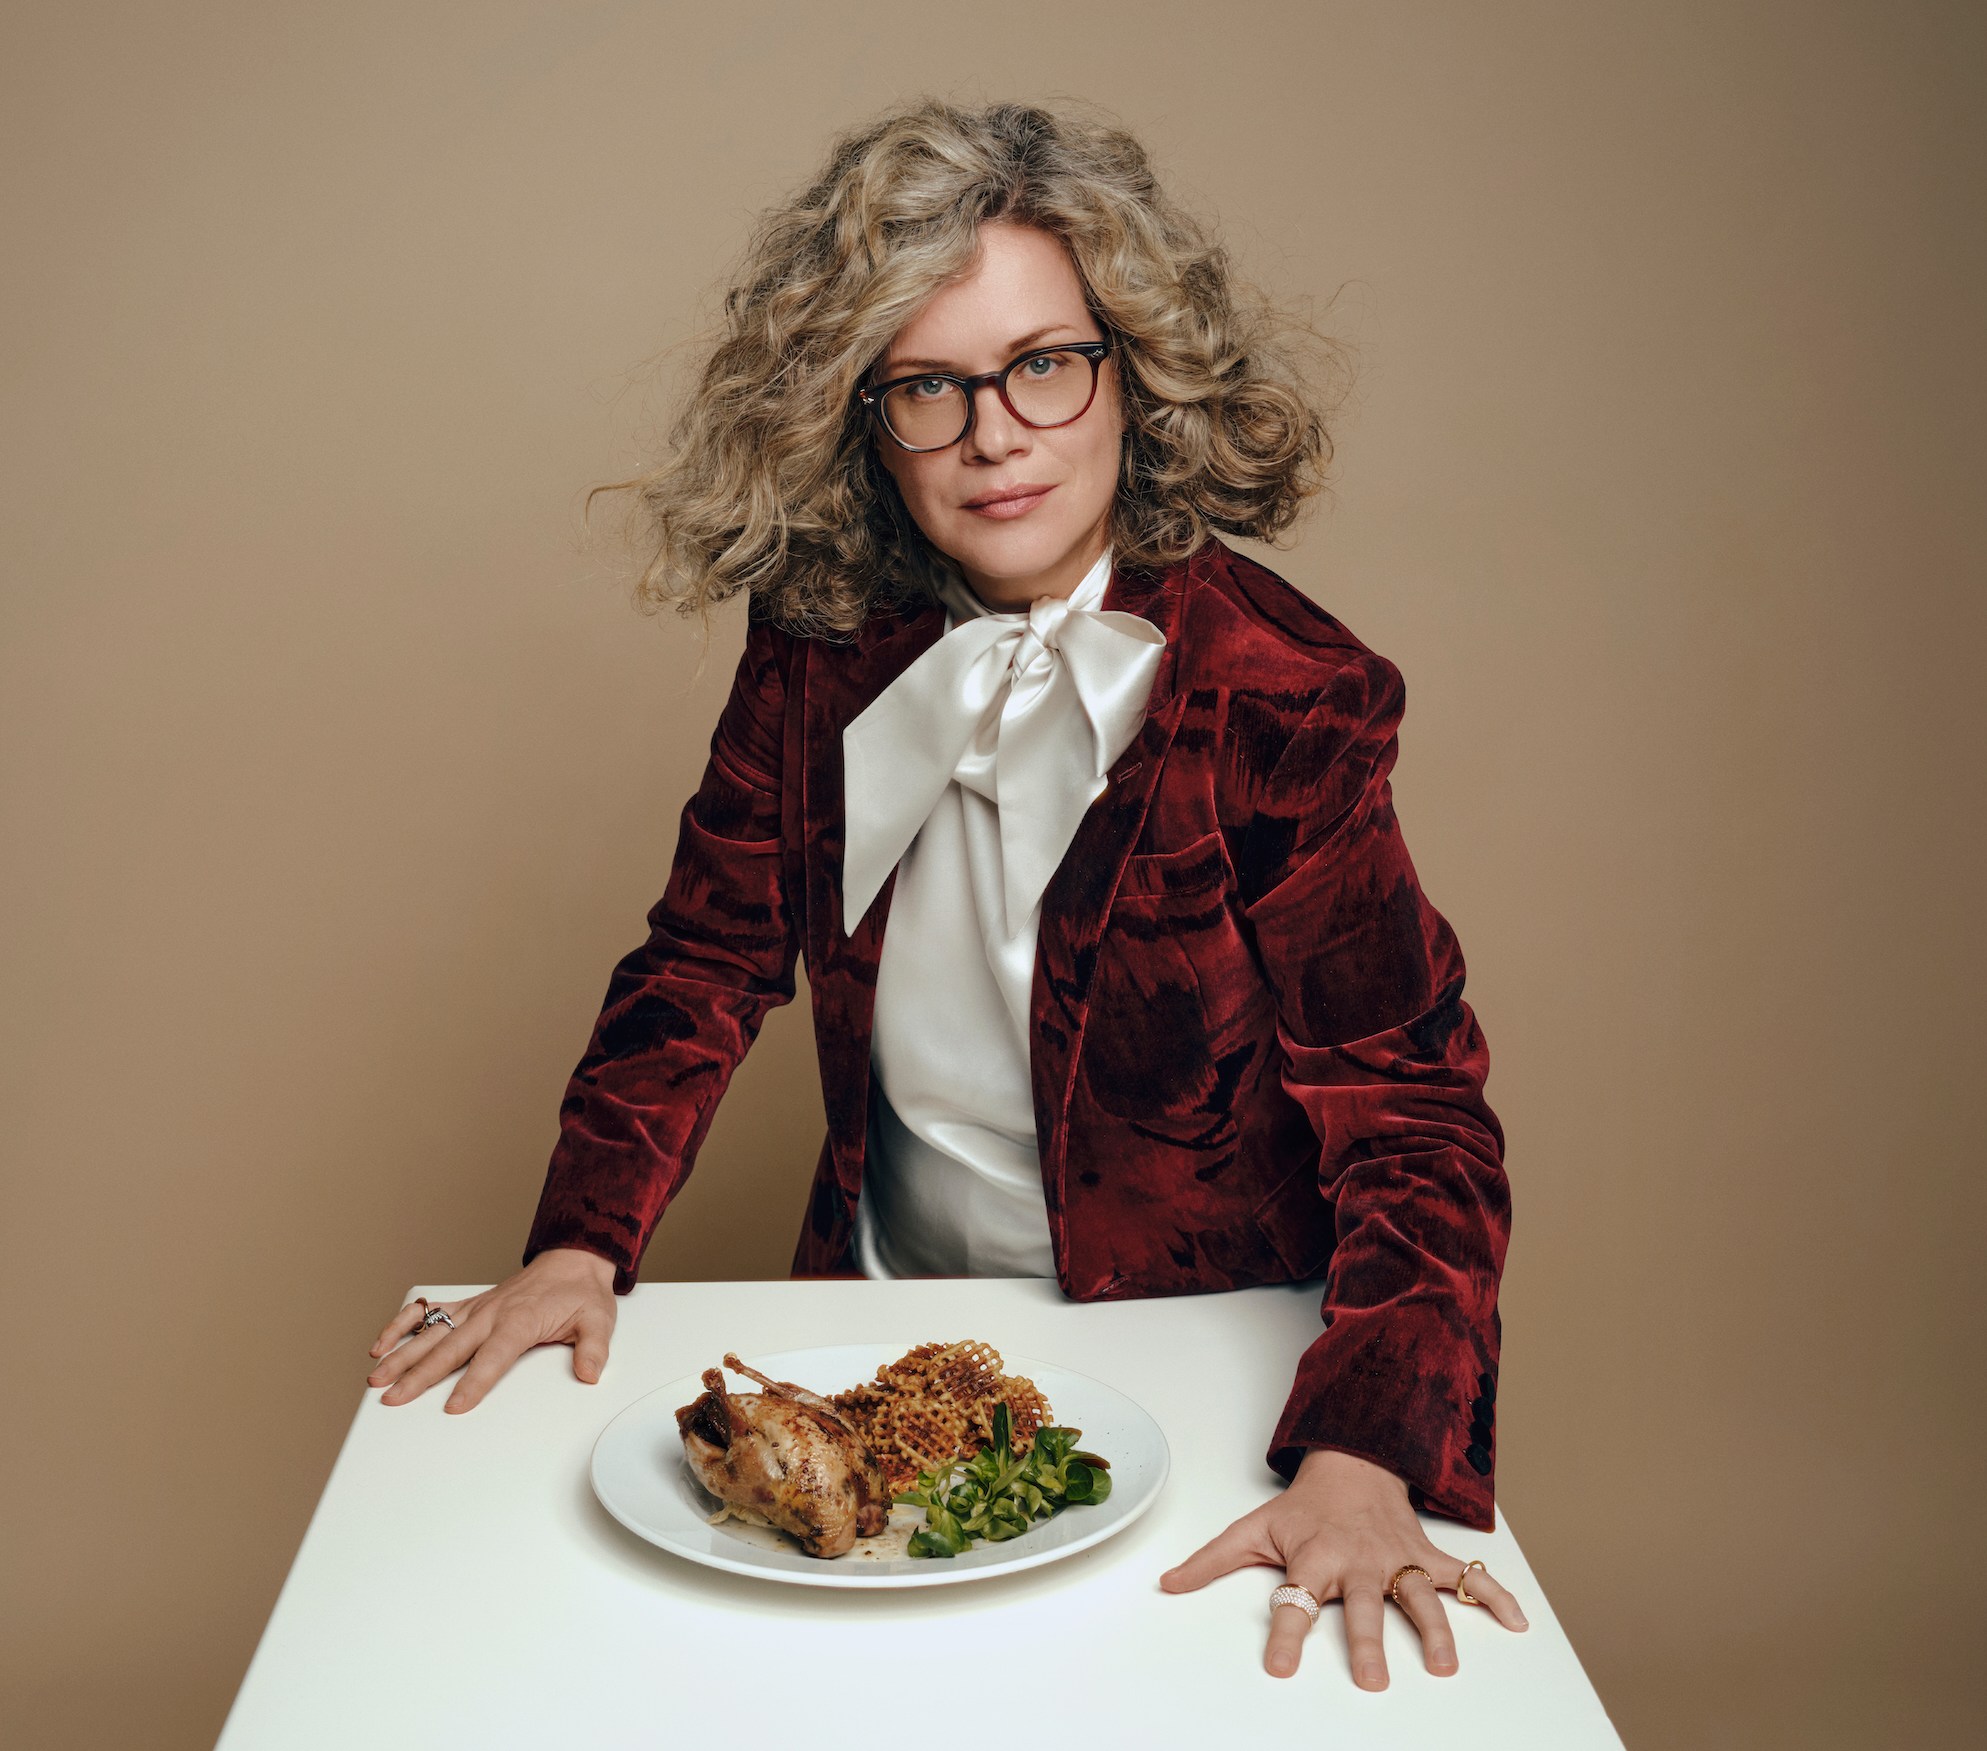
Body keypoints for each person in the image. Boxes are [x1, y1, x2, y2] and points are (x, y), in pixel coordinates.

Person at [366, 98, 1524, 1687]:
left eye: (1045, 364)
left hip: (1215, 1359)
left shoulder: (1283, 692)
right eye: (929, 386)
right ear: (861, 419)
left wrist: (1367, 1453)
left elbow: (1413, 1114)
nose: (994, 434)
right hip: (882, 1342)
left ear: (1136, 377)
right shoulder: (816, 650)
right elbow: (703, 963)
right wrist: (579, 1245)